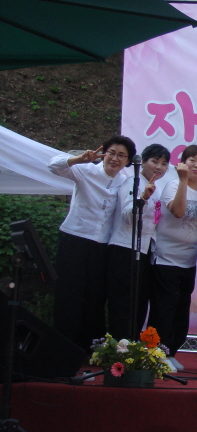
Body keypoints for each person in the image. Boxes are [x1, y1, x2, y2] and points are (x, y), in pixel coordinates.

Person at [49, 135, 136, 352]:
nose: (115, 159)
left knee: (94, 297)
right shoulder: (86, 170)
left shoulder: (125, 182)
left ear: (127, 161)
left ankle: (90, 349)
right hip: (75, 239)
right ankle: (64, 348)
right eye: (111, 153)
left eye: (122, 155)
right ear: (103, 153)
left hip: (102, 245)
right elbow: (53, 166)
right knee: (69, 294)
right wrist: (78, 159)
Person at [150, 144, 197, 371]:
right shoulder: (173, 185)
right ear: (183, 163)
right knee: (164, 308)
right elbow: (177, 211)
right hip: (165, 258)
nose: (196, 165)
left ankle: (171, 350)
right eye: (192, 160)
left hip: (188, 259)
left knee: (180, 309)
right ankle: (156, 352)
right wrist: (184, 181)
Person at [106, 143, 169, 340]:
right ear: (143, 162)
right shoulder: (132, 182)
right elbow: (128, 216)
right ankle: (119, 348)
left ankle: (133, 346)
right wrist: (143, 198)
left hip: (145, 251)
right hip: (125, 249)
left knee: (139, 303)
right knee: (123, 303)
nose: (159, 167)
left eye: (164, 164)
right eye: (155, 161)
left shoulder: (156, 188)